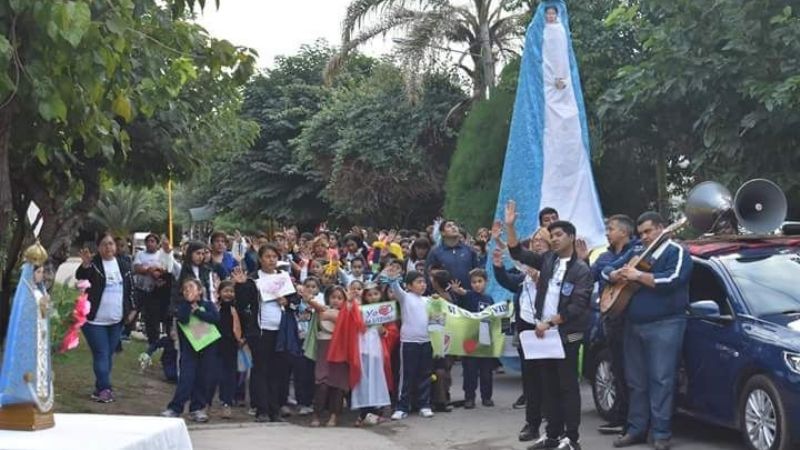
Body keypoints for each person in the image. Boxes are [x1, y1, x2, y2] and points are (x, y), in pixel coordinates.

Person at [505, 200, 593, 450]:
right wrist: (510, 227)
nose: (553, 239)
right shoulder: (548, 261)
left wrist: (552, 321)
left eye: (558, 235)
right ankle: (552, 434)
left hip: (568, 334)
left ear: (571, 237)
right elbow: (518, 254)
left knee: (567, 385)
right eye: (551, 235)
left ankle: (571, 438)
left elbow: (578, 306)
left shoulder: (580, 269)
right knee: (548, 385)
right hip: (544, 335)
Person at [603, 212, 692, 450]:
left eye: (648, 231)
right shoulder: (636, 252)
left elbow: (674, 279)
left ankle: (661, 433)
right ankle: (636, 429)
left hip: (666, 324)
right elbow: (605, 268)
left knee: (661, 379)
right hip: (634, 324)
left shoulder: (677, 251)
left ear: (663, 229)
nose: (643, 237)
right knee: (636, 381)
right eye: (641, 233)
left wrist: (639, 275)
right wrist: (614, 274)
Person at [577, 214, 637, 435]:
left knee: (632, 373)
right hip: (610, 320)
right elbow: (589, 279)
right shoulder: (604, 256)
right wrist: (584, 261)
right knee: (616, 370)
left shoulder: (638, 252)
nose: (607, 233)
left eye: (610, 229)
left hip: (632, 322)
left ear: (624, 231)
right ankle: (620, 417)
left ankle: (633, 420)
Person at [493, 225, 552, 442]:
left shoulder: (554, 264)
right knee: (531, 378)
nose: (537, 242)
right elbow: (511, 281)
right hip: (527, 328)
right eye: (534, 239)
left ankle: (554, 423)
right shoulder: (526, 269)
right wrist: (498, 267)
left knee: (550, 376)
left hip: (549, 327)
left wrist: (541, 278)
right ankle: (532, 422)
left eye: (541, 239)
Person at [232, 244, 292, 423]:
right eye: (267, 256)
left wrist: (286, 301)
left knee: (277, 371)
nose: (271, 260)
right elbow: (243, 304)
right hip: (260, 331)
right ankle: (261, 409)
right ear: (260, 259)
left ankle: (275, 409)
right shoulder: (253, 279)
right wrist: (241, 286)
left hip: (279, 331)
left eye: (274, 256)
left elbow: (293, 300)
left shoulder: (283, 278)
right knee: (260, 369)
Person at [76, 233, 135, 404]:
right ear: (98, 247)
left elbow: (131, 289)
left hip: (116, 320)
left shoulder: (124, 265)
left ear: (115, 247)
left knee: (108, 355)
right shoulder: (93, 265)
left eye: (111, 244)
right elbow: (81, 276)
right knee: (101, 353)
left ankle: (99, 388)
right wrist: (85, 265)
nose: (108, 247)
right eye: (104, 244)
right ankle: (105, 389)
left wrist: (132, 310)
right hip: (94, 320)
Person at [161, 278, 220, 422]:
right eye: (185, 289)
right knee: (186, 378)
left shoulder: (208, 305)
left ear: (200, 290)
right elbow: (183, 319)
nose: (188, 291)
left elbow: (215, 318)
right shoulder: (182, 306)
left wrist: (199, 312)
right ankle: (175, 407)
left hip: (207, 347)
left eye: (191, 287)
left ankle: (197, 408)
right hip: (189, 350)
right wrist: (189, 304)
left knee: (203, 378)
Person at [385, 269, 435, 420]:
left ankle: (424, 405)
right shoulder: (405, 297)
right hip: (409, 342)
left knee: (425, 374)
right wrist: (393, 279)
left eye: (424, 282)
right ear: (409, 286)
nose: (423, 285)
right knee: (407, 375)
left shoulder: (429, 300)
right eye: (418, 282)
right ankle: (402, 406)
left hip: (426, 342)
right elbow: (396, 288)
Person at [304, 286, 353, 427]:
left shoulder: (348, 312)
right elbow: (320, 309)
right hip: (324, 347)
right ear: (328, 298)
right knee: (322, 383)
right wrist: (308, 299)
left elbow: (334, 316)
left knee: (338, 384)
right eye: (333, 297)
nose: (336, 300)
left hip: (341, 349)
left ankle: (334, 416)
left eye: (340, 298)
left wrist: (310, 301)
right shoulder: (323, 309)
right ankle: (316, 415)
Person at [449, 268, 496, 409]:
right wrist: (457, 290)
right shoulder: (468, 295)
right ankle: (469, 397)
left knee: (486, 372)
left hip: (486, 340)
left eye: (480, 281)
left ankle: (486, 397)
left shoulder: (489, 299)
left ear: (486, 282)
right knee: (470, 371)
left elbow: (495, 318)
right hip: (470, 340)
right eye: (474, 282)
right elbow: (462, 292)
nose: (477, 284)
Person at [133, 233, 172, 349]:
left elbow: (165, 269)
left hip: (157, 291)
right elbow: (137, 268)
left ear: (157, 243)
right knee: (136, 311)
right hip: (141, 288)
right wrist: (151, 270)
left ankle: (160, 339)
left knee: (156, 316)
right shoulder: (140, 254)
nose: (150, 243)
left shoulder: (162, 255)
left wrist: (154, 271)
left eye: (153, 241)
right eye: (148, 241)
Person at [215, 280, 245, 419]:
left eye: (231, 291)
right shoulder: (215, 308)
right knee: (217, 374)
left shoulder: (237, 308)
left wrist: (242, 339)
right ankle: (212, 401)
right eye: (226, 291)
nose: (229, 294)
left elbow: (242, 324)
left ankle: (227, 402)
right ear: (219, 292)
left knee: (231, 375)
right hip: (216, 344)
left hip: (232, 345)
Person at [425, 220, 479, 289]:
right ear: (442, 233)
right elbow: (428, 274)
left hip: (467, 293)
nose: (453, 227)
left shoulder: (469, 250)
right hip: (445, 296)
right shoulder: (435, 252)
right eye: (449, 226)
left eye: (455, 225)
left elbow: (477, 272)